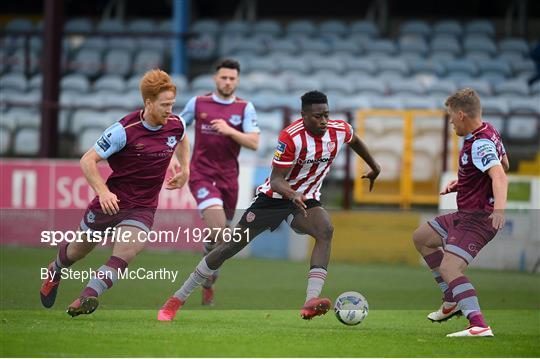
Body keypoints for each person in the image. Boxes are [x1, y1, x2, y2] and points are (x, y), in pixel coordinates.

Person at [157, 90, 381, 321]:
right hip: (273, 199)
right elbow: (276, 180)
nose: (323, 121)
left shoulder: (338, 129)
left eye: (326, 115)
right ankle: (177, 298)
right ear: (303, 115)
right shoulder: (290, 137)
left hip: (306, 199)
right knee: (228, 248)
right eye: (317, 116)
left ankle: (310, 301)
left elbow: (354, 140)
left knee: (326, 229)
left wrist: (374, 166)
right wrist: (292, 194)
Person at [39, 69, 190, 317]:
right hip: (111, 202)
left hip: (143, 206)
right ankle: (54, 269)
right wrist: (104, 191)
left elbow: (183, 138)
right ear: (148, 102)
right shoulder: (123, 130)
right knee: (77, 251)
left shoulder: (175, 124)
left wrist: (185, 168)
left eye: (172, 104)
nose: (169, 110)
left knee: (126, 252)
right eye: (164, 105)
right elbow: (88, 160)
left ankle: (88, 296)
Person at [412, 88, 509, 337]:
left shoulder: (479, 142)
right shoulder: (489, 132)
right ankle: (451, 297)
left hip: (477, 219)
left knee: (450, 268)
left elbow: (499, 175)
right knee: (422, 237)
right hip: (464, 214)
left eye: (451, 117)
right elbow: (504, 164)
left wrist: (499, 209)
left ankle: (478, 324)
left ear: (462, 114)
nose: (451, 122)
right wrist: (464, 182)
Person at [177, 58, 259, 305]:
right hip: (202, 175)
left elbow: (254, 143)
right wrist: (175, 160)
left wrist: (230, 131)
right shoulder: (198, 103)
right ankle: (200, 282)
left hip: (229, 180)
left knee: (220, 240)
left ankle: (209, 281)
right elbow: (177, 129)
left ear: (237, 80)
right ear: (215, 79)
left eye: (232, 78)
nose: (227, 82)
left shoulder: (245, 108)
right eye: (223, 77)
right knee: (217, 231)